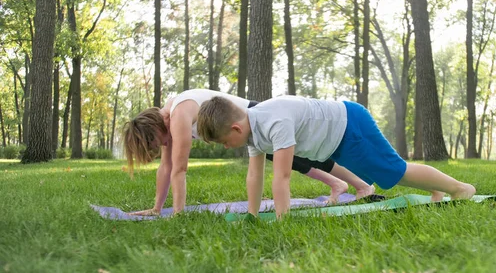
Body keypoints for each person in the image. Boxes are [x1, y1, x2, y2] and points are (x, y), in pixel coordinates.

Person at [197, 95, 477, 218]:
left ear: (235, 127)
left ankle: (461, 189)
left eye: (224, 141)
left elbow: (281, 177)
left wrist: (281, 220)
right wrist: (252, 214)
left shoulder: (273, 122)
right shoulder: (253, 131)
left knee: (395, 171)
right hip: (337, 140)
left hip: (350, 126)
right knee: (385, 174)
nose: (225, 147)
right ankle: (437, 190)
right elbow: (255, 175)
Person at [122, 89, 375, 215]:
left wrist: (177, 214)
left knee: (305, 157)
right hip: (242, 124)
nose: (164, 146)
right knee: (302, 160)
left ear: (158, 125)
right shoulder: (168, 116)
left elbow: (179, 169)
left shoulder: (177, 116)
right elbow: (166, 167)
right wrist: (156, 208)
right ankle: (340, 184)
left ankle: (358, 185)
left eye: (158, 141)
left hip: (251, 119)